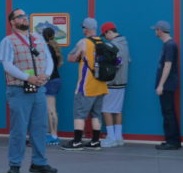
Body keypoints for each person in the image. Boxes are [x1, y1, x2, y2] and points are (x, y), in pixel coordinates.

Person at [0, 8, 57, 173]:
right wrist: (27, 77)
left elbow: (48, 59)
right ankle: (15, 163)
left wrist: (45, 76)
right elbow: (7, 65)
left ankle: (39, 162)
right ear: (12, 22)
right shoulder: (7, 41)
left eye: (25, 16)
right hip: (18, 90)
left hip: (38, 88)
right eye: (20, 17)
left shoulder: (37, 38)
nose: (24, 18)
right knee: (19, 129)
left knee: (40, 127)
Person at [61, 17, 108, 151]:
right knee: (96, 114)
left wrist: (80, 57)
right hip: (101, 85)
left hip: (87, 85)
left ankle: (76, 142)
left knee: (79, 113)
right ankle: (95, 141)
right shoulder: (101, 42)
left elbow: (71, 58)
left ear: (86, 29)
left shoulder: (83, 42)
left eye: (83, 27)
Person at [99, 22, 130, 148]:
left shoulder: (112, 45)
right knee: (117, 110)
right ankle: (118, 137)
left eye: (105, 35)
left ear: (109, 32)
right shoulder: (125, 45)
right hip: (122, 81)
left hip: (112, 82)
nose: (105, 37)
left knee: (106, 110)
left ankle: (111, 137)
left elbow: (115, 64)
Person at [152, 20, 182, 150]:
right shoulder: (168, 44)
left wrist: (161, 85)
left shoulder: (170, 45)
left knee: (168, 112)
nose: (155, 32)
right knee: (167, 112)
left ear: (160, 30)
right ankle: (170, 139)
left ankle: (173, 142)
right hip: (167, 84)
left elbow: (168, 65)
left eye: (156, 29)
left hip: (167, 85)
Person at [42, 27, 63, 146]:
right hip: (56, 79)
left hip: (50, 81)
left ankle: (53, 135)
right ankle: (52, 134)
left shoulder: (46, 48)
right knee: (51, 109)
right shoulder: (55, 48)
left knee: (50, 109)